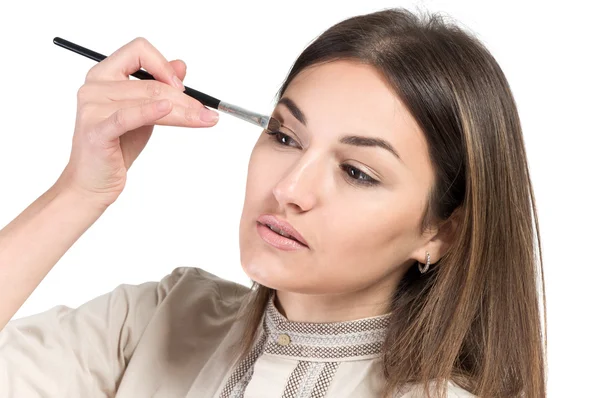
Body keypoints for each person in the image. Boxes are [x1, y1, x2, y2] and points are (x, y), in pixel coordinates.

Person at [0, 7, 546, 398]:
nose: (289, 189)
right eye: (284, 137)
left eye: (356, 171)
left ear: (441, 233)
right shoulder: (158, 320)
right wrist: (78, 192)